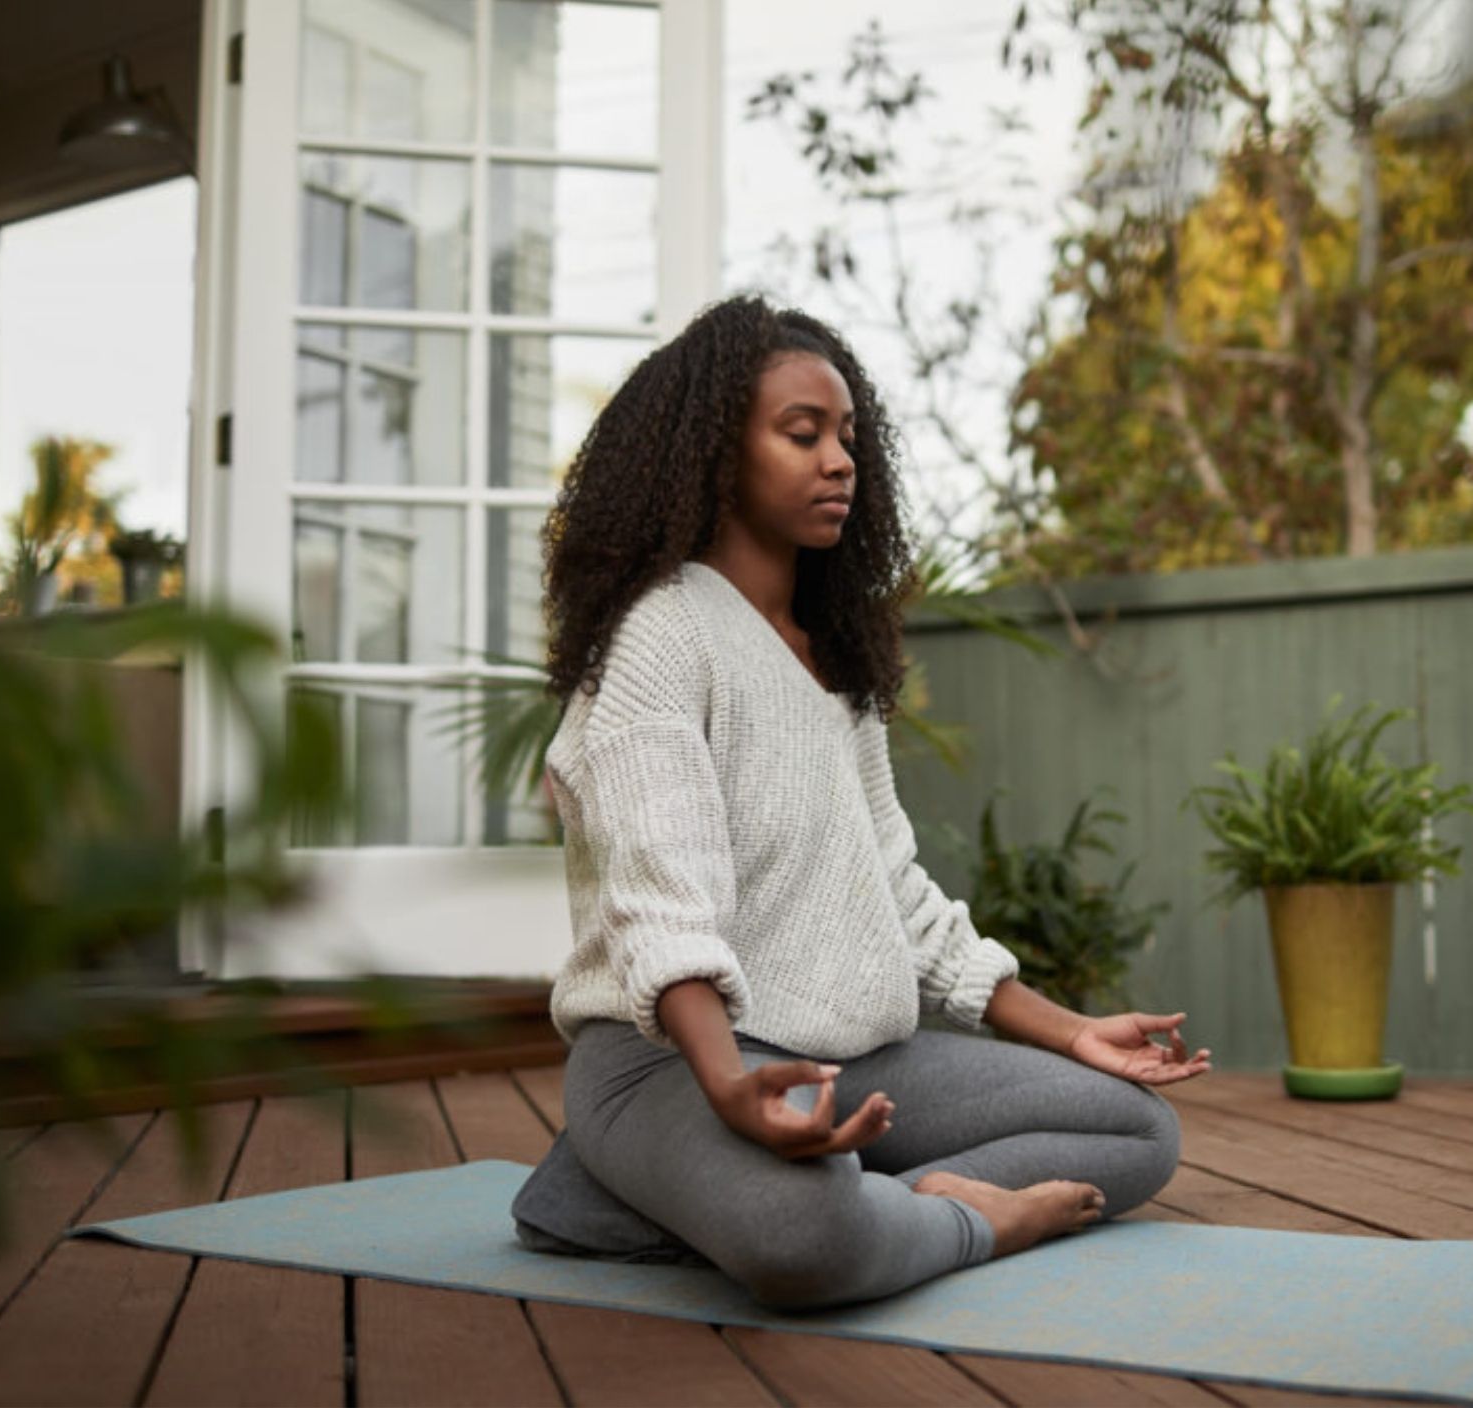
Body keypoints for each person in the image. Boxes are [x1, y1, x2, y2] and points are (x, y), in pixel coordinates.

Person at [509, 293, 1210, 1312]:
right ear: (712, 453)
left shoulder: (833, 663)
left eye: (846, 436)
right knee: (808, 1233)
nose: (839, 459)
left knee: (1134, 1131)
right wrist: (726, 1091)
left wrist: (1070, 1032)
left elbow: (898, 897)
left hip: (849, 1054)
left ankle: (701, 1198)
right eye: (802, 434)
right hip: (668, 1061)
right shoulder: (659, 636)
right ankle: (953, 1216)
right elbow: (658, 908)